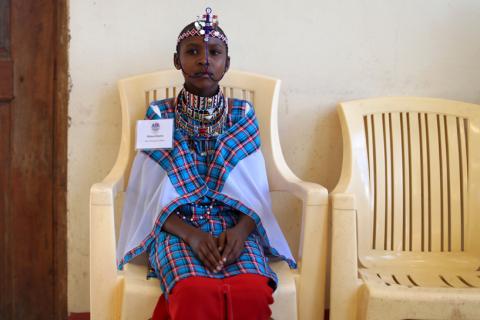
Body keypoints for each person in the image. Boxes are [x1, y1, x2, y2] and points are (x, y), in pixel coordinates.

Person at [116, 8, 296, 320]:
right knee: (193, 290)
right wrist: (192, 235)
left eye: (214, 53)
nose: (204, 60)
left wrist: (241, 232)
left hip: (235, 230)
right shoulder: (159, 115)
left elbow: (255, 190)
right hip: (175, 229)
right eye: (193, 51)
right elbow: (148, 194)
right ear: (177, 60)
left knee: (252, 289)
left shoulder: (243, 114)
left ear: (227, 63)